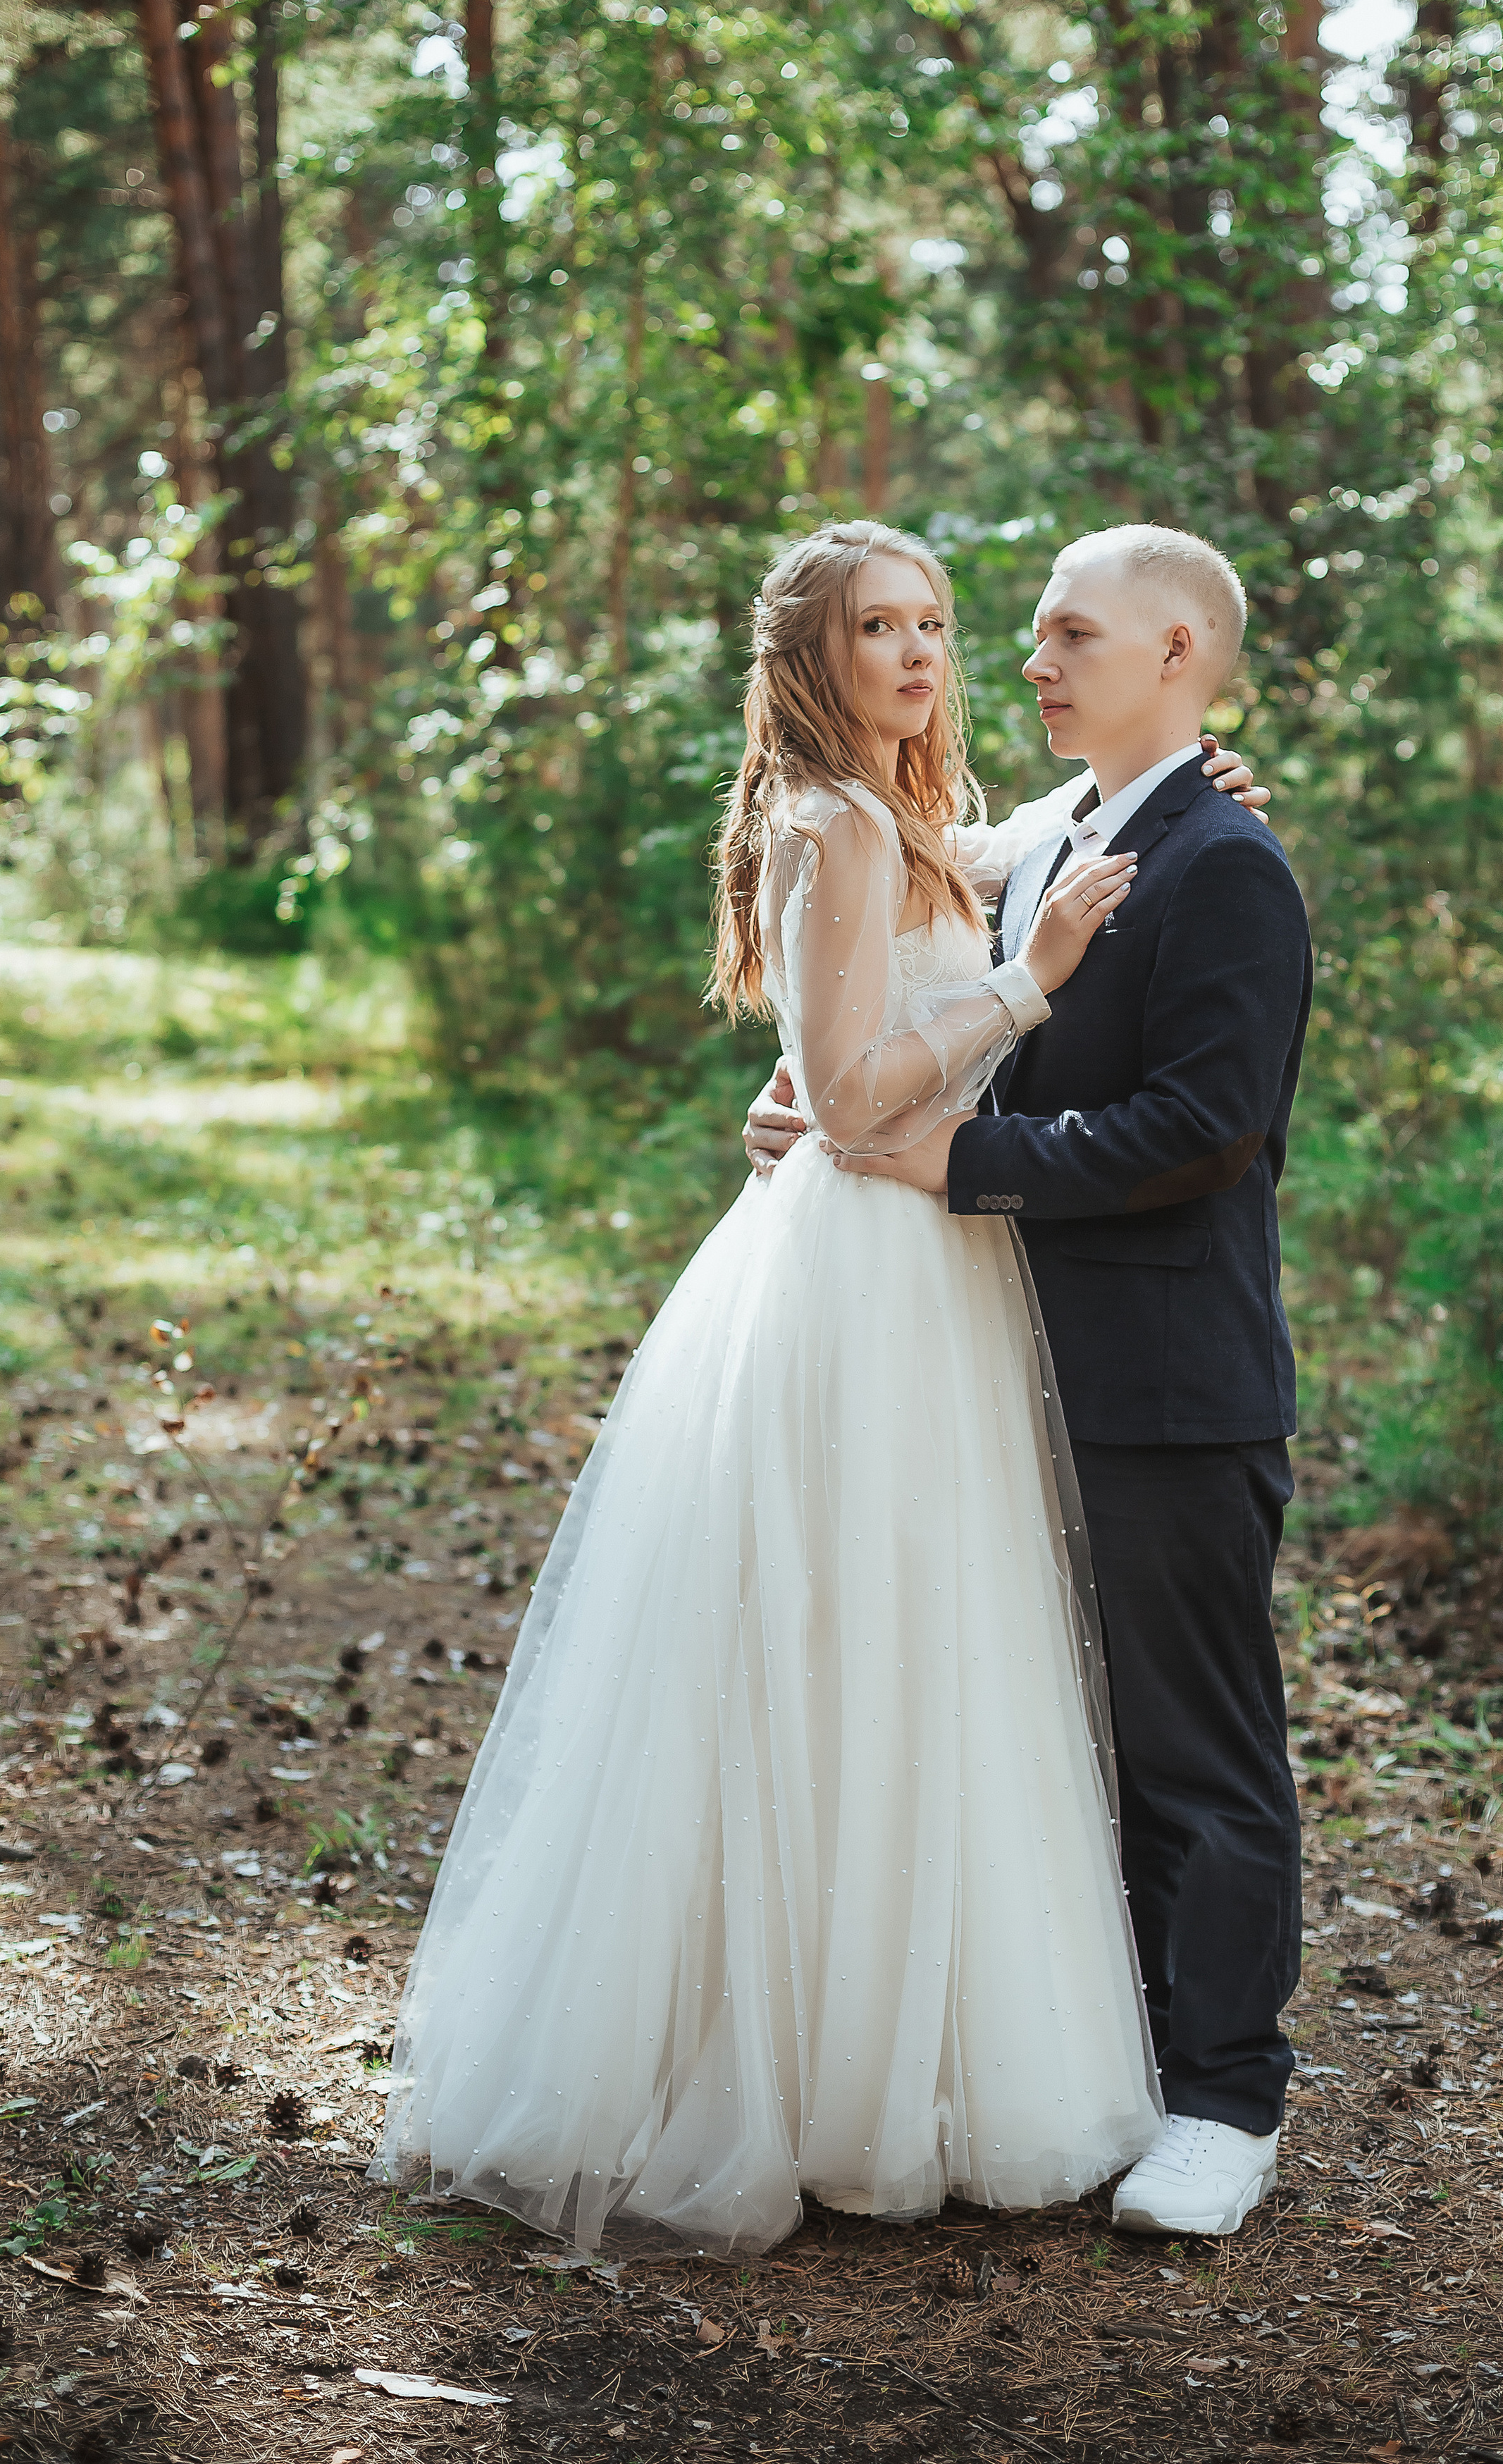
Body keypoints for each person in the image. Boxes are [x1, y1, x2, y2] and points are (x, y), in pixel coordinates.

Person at [372, 518, 1268, 2260]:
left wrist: (1178, 778)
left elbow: (1049, 879)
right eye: (887, 628)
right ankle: (808, 2066)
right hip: (872, 1281)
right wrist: (998, 999)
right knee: (837, 1644)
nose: (935, 656)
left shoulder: (969, 828)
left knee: (938, 1648)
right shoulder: (837, 819)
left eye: (943, 623)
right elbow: (854, 1088)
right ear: (813, 655)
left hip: (947, 1278)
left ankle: (996, 2067)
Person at [746, 522, 1312, 2238]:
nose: (1028, 659)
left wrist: (951, 1163)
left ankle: (1225, 2102)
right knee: (1041, 1732)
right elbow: (869, 1019)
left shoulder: (1227, 867)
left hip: (1160, 1378)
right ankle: (1094, 2060)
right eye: (1032, 632)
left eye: (1073, 635)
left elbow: (1198, 1133)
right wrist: (810, 1106)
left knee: (1191, 1750)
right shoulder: (1038, 838)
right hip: (989, 1364)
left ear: (1176, 660)